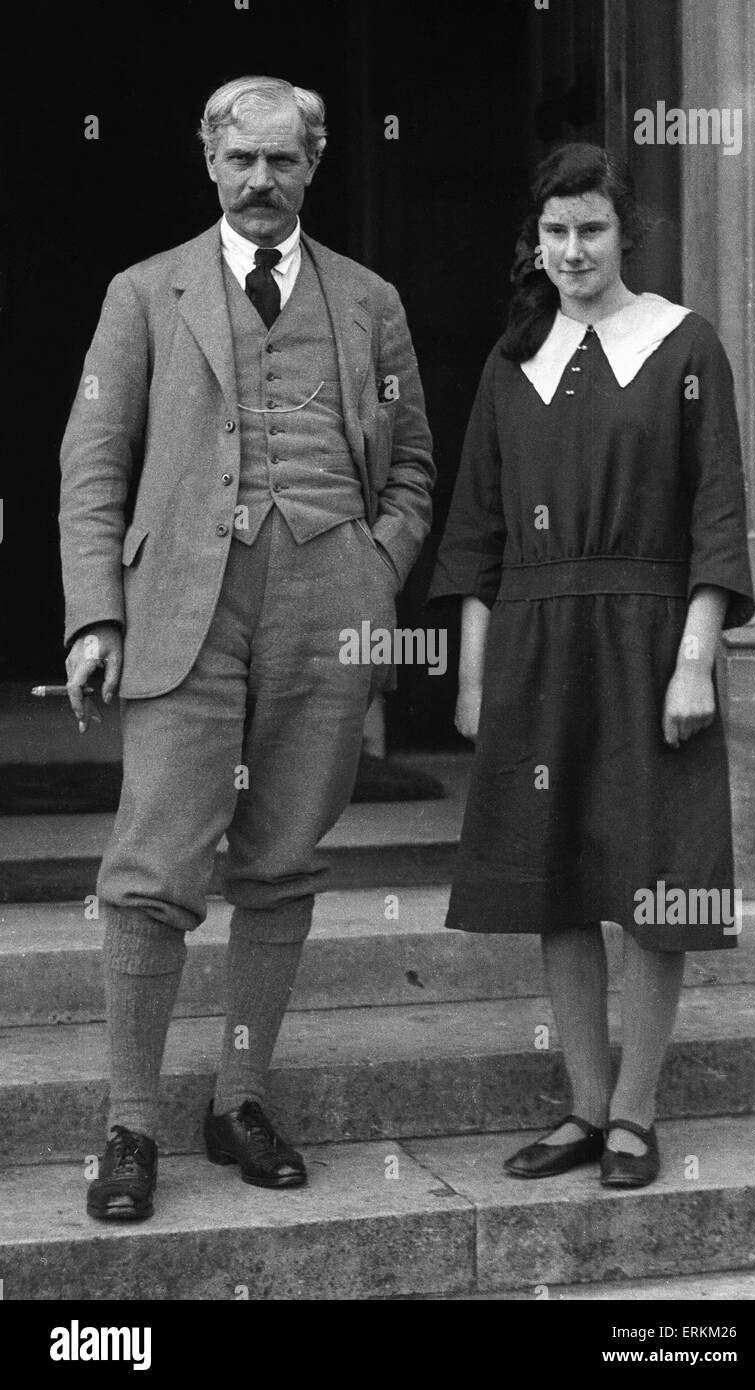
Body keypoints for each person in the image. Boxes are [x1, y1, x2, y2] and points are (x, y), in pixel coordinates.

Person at [60, 75, 434, 1220]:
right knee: (152, 867)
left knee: (280, 861)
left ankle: (239, 1094)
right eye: (241, 162)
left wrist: (374, 567)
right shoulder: (144, 293)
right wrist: (94, 614)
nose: (261, 182)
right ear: (209, 164)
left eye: (282, 160)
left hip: (327, 602)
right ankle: (130, 1123)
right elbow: (93, 461)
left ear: (314, 164)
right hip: (184, 607)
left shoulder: (370, 301)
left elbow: (413, 465)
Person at [429, 143, 754, 1188]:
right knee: (558, 876)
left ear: (625, 234)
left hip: (650, 637)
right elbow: (475, 529)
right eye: (555, 233)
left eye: (591, 230)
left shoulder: (683, 343)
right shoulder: (510, 358)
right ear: (537, 242)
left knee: (656, 880)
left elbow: (715, 513)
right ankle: (579, 1104)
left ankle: (634, 1113)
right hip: (534, 641)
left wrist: (694, 659)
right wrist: (476, 678)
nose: (571, 250)